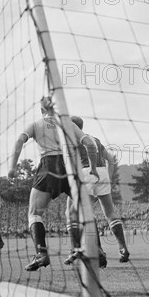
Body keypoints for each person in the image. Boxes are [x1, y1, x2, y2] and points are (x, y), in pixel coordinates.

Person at [8, 96, 100, 272]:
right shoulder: (68, 124)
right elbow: (90, 143)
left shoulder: (36, 125)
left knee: (34, 213)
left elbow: (20, 140)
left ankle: (41, 253)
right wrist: (93, 168)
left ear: (42, 110)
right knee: (85, 210)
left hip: (48, 167)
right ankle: (98, 250)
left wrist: (12, 167)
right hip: (70, 168)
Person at [64, 116, 130, 267]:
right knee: (110, 213)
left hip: (86, 173)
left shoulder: (72, 141)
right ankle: (123, 248)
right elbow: (111, 159)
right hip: (103, 173)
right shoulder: (95, 139)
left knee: (71, 213)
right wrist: (110, 177)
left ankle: (91, 249)